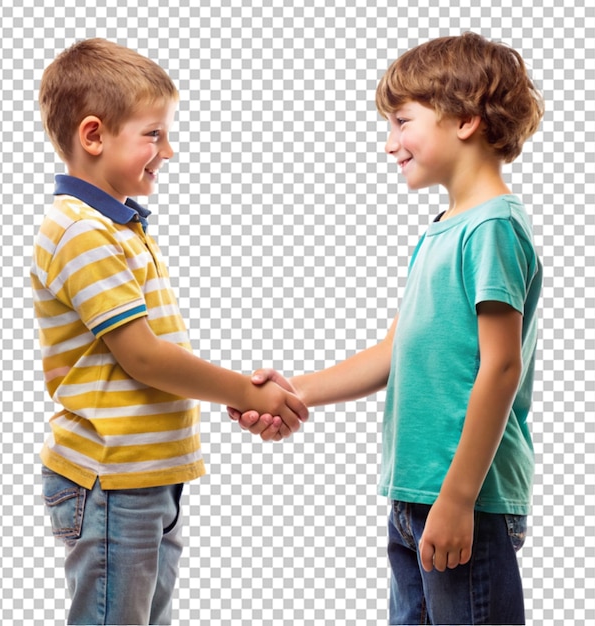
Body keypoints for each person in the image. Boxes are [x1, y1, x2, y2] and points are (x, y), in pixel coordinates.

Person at [230, 32, 544, 625]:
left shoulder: (492, 229)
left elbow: (501, 368)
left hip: (462, 501)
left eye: (402, 121)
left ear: (466, 119)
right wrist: (294, 391)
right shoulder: (443, 228)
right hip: (414, 497)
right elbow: (394, 352)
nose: (389, 143)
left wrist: (457, 498)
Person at [31, 38, 307, 626]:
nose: (169, 150)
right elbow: (146, 359)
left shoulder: (118, 226)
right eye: (153, 134)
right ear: (94, 136)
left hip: (149, 474)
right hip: (112, 476)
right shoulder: (80, 230)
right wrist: (244, 391)